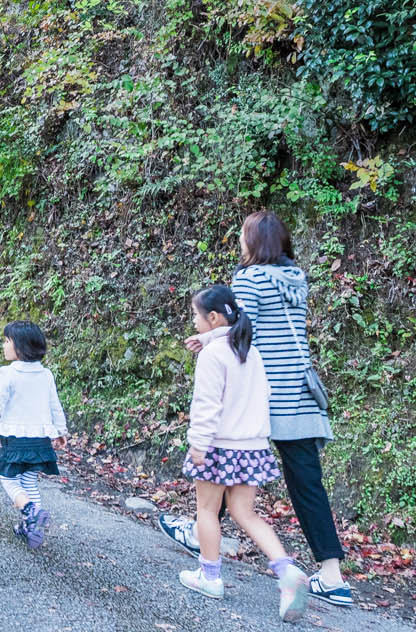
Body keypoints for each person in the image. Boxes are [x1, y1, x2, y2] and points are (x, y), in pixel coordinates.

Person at [159, 211, 352, 608]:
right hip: (300, 393)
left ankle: (202, 533)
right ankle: (332, 575)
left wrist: (211, 338)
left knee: (228, 460)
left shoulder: (250, 278)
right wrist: (214, 334)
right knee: (306, 484)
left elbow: (244, 328)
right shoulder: (296, 279)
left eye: (243, 236)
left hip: (265, 396)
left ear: (256, 243)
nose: (240, 242)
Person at [177, 284, 311, 622]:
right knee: (245, 513)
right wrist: (207, 340)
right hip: (252, 446)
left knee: (206, 510)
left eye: (196, 315)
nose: (193, 321)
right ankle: (286, 571)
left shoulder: (213, 355)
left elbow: (207, 404)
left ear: (213, 317)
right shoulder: (249, 351)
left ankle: (209, 577)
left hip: (219, 444)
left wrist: (198, 443)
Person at [0, 320, 67, 549]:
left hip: (16, 438)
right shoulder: (46, 375)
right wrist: (61, 431)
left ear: (21, 346)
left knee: (8, 478)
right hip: (41, 439)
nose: (4, 345)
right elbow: (55, 405)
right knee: (28, 480)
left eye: (7, 341)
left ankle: (30, 511)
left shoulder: (8, 373)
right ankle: (30, 527)